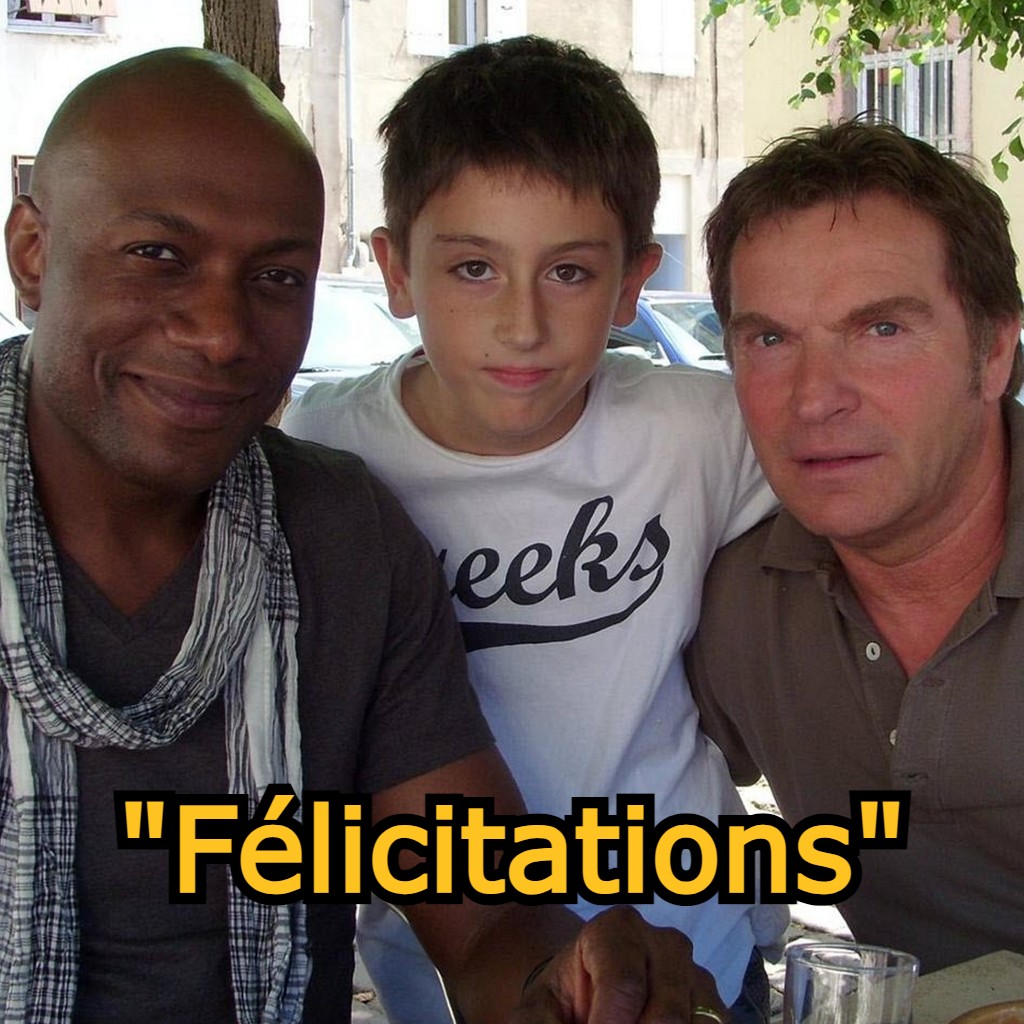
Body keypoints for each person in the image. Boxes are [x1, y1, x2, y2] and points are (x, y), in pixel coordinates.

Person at [0, 46, 731, 1024]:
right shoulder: (351, 446)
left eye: (277, 275)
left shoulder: (341, 535)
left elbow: (484, 913)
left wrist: (572, 982)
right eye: (158, 255)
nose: (220, 331)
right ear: (32, 252)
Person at [282, 35, 785, 1024]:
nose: (521, 324)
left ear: (633, 282)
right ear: (395, 269)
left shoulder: (699, 430)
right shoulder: (328, 443)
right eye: (473, 267)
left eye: (569, 272)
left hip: (696, 960)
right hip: (454, 977)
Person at [686, 119, 1024, 975]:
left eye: (881, 330)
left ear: (994, 352)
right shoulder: (738, 600)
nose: (814, 399)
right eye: (770, 340)